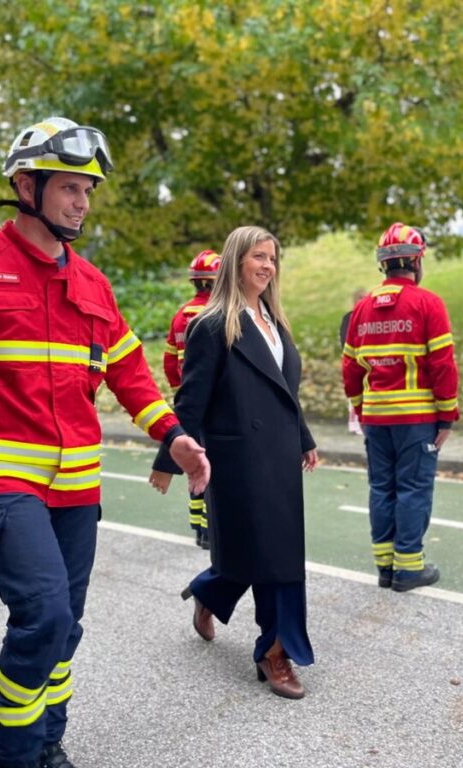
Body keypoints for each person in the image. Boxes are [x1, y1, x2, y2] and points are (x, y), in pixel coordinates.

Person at [0, 116, 209, 768]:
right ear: (26, 185)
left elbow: (128, 371)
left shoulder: (92, 284)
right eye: (69, 187)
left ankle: (49, 741)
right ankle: (14, 753)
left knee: (66, 626)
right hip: (4, 481)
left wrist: (171, 434)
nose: (82, 202)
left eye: (88, 190)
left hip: (77, 486)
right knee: (41, 617)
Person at [149, 225, 319, 700]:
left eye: (272, 258)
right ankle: (275, 652)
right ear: (234, 262)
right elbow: (191, 400)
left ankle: (210, 594)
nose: (267, 265)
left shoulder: (275, 321)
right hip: (238, 459)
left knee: (269, 552)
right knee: (269, 555)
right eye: (257, 257)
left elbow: (285, 393)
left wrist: (304, 437)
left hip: (281, 458)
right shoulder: (210, 324)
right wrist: (171, 457)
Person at [342, 223, 459, 592]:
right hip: (416, 419)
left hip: (376, 418)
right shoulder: (428, 304)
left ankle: (385, 567)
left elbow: (349, 368)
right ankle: (408, 569)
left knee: (381, 488)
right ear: (417, 261)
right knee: (412, 489)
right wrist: (447, 416)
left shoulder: (362, 309)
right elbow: (442, 365)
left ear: (384, 265)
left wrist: (361, 409)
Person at [157, 249, 221, 549]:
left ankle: (198, 525)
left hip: (188, 402)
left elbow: (170, 361)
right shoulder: (219, 314)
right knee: (213, 464)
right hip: (215, 404)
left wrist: (179, 390)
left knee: (195, 462)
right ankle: (211, 527)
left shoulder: (181, 315)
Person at [339, 288, 368, 435]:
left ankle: (361, 421)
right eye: (360, 298)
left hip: (365, 359)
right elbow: (344, 340)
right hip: (353, 358)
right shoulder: (349, 318)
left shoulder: (369, 316)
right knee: (354, 391)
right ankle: (354, 423)